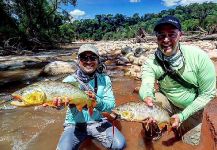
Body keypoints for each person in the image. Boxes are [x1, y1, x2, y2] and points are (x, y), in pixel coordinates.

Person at [139, 15, 216, 145]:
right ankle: (154, 134)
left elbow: (208, 94)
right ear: (156, 38)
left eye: (172, 34)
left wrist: (182, 116)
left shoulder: (199, 57)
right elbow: (146, 84)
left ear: (180, 35)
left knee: (189, 144)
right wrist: (147, 97)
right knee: (146, 115)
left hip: (191, 107)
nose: (166, 39)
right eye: (161, 35)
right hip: (167, 101)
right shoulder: (150, 62)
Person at [53, 44, 126, 150]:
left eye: (92, 58)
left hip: (99, 122)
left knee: (120, 145)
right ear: (78, 60)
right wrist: (57, 105)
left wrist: (97, 101)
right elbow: (60, 107)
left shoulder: (105, 80)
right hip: (74, 125)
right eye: (84, 58)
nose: (88, 61)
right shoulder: (68, 81)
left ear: (98, 60)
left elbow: (111, 106)